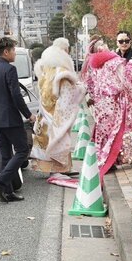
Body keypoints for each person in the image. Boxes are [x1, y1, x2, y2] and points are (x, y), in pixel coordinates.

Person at [82, 40, 132, 177]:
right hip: (116, 103)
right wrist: (131, 67)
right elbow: (124, 81)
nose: (106, 45)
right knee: (125, 127)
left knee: (105, 131)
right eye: (103, 43)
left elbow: (89, 86)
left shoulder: (92, 65)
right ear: (101, 48)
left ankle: (108, 159)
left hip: (101, 104)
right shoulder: (114, 62)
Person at [0, 37, 36, 203]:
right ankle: (0, 181)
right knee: (21, 151)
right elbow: (16, 95)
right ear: (6, 52)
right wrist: (28, 114)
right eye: (13, 50)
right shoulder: (10, 69)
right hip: (11, 119)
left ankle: (7, 192)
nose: (15, 53)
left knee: (5, 155)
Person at [31, 38, 85, 174]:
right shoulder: (61, 70)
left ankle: (53, 168)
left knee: (47, 138)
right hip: (57, 109)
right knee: (59, 139)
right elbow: (68, 93)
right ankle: (60, 169)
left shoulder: (45, 67)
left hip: (45, 108)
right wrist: (81, 89)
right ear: (65, 50)